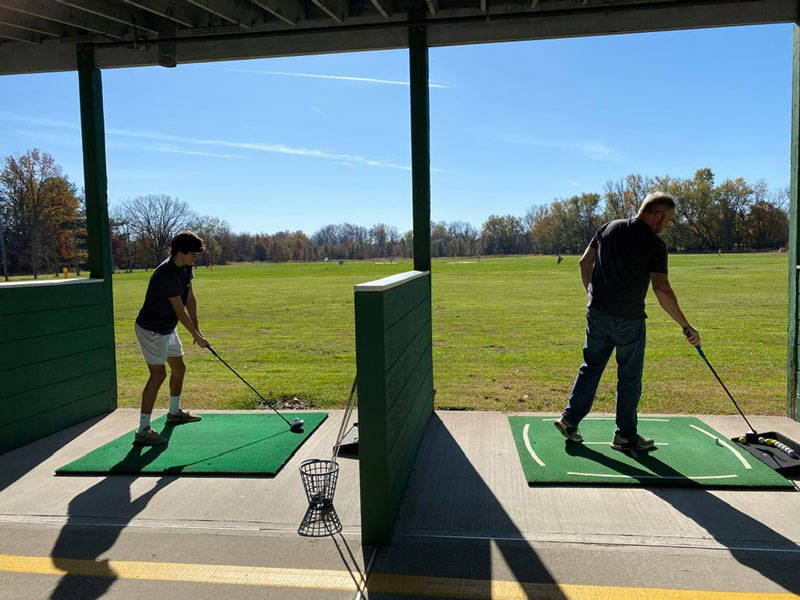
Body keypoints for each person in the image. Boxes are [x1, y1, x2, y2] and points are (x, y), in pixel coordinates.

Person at [554, 192, 700, 451]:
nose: (667, 225)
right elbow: (662, 289)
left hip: (597, 314)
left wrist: (592, 294)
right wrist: (685, 325)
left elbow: (584, 262)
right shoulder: (654, 245)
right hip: (629, 321)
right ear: (657, 216)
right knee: (629, 378)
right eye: (668, 220)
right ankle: (625, 436)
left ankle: (570, 419)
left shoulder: (608, 228)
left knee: (591, 367)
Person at [133, 231, 209, 445]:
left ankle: (174, 413)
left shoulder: (186, 268)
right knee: (158, 376)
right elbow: (178, 309)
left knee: (179, 368)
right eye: (193, 254)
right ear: (180, 252)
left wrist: (198, 330)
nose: (195, 258)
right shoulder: (165, 273)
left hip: (168, 328)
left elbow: (190, 299)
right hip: (152, 329)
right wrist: (194, 335)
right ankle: (143, 429)